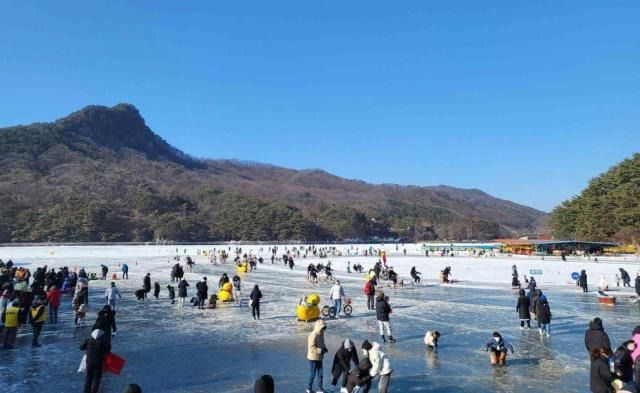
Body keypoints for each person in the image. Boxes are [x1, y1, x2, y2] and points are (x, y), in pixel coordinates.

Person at [80, 329, 111, 393]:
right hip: (99, 363)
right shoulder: (103, 341)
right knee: (97, 379)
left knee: (88, 378)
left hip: (89, 362)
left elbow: (81, 347)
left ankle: (86, 391)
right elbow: (108, 350)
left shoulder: (88, 340)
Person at [306, 320, 328, 393]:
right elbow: (311, 347)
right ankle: (309, 388)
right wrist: (320, 351)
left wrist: (324, 348)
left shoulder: (322, 334)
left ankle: (320, 389)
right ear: (318, 327)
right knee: (313, 373)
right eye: (322, 328)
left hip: (319, 357)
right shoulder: (313, 335)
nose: (323, 330)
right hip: (312, 357)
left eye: (324, 328)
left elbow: (322, 343)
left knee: (320, 373)